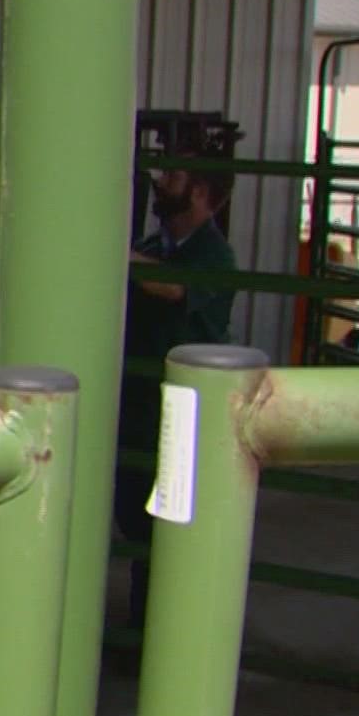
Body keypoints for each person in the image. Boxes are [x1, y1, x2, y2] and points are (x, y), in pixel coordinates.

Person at [114, 159, 238, 629]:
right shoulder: (152, 246)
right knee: (136, 519)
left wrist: (115, 249)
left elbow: (170, 287)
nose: (162, 185)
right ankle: (139, 626)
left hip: (178, 414)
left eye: (174, 178)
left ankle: (156, 634)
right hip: (137, 409)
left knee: (165, 528)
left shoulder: (213, 256)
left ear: (201, 192)